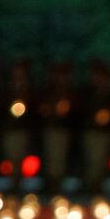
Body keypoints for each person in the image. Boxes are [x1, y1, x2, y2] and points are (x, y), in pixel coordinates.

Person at [39, 61, 76, 192]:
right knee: (50, 156)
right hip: (50, 128)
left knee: (61, 156)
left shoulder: (70, 92)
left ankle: (59, 182)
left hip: (64, 129)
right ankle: (50, 182)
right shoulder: (47, 92)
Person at [81, 60, 110, 194]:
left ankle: (98, 183)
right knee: (90, 158)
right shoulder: (87, 94)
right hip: (90, 130)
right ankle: (89, 183)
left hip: (104, 132)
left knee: (101, 159)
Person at [1, 60, 36, 188]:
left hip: (25, 128)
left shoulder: (30, 89)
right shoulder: (7, 89)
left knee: (23, 156)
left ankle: (22, 182)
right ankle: (13, 181)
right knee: (11, 156)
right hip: (10, 128)